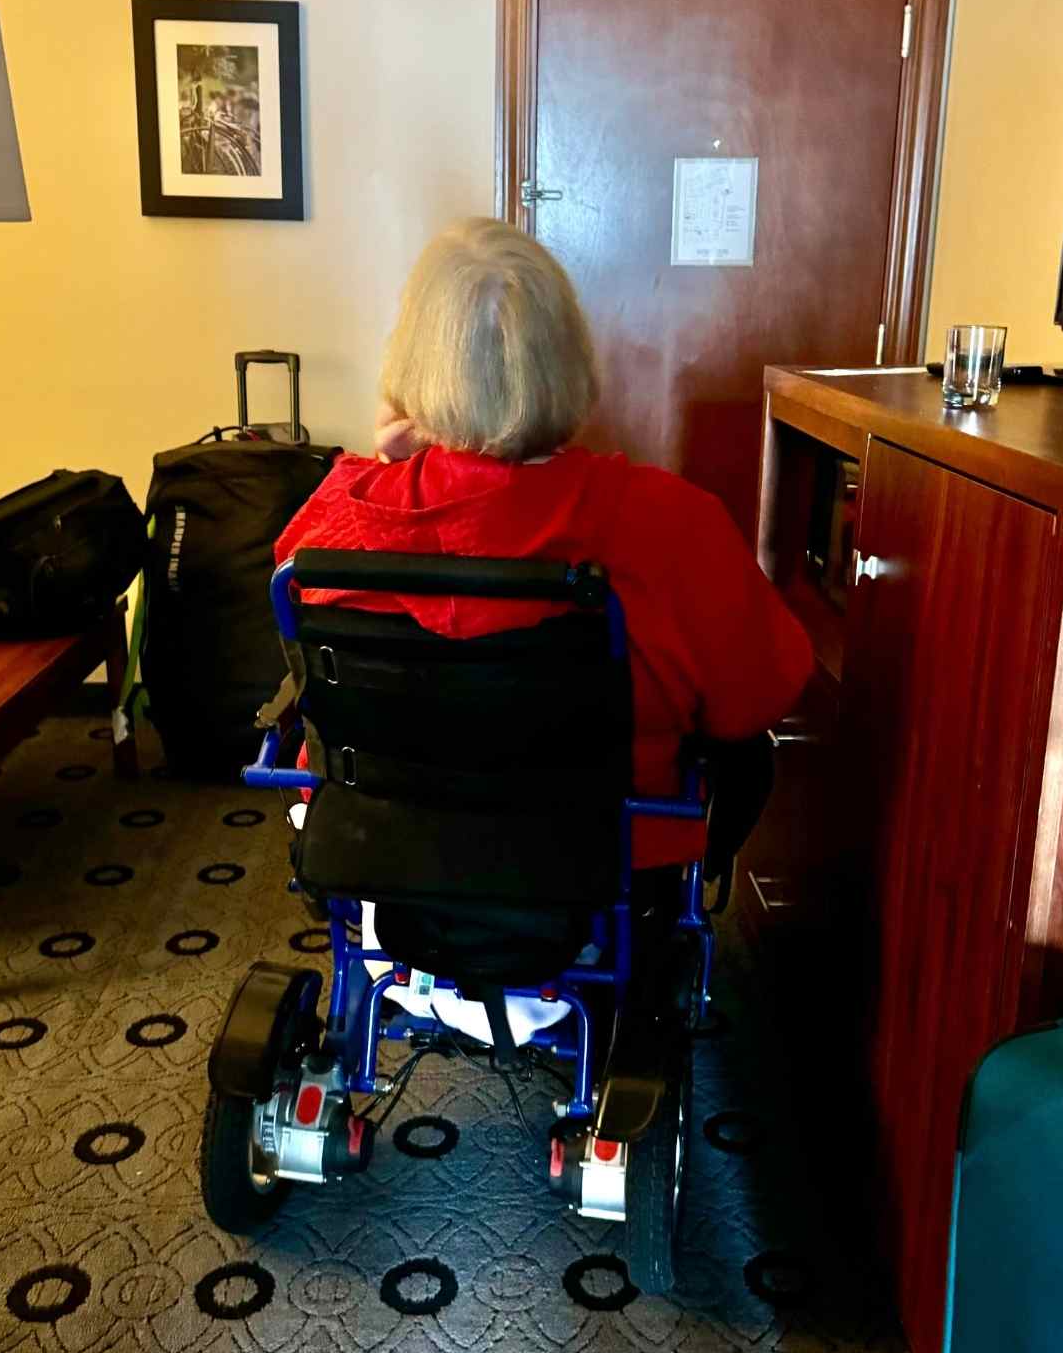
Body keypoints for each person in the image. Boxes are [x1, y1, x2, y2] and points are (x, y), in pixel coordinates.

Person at [274, 216, 813, 877]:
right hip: (606, 869)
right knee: (749, 752)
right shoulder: (675, 523)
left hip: (384, 852)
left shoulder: (338, 525)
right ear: (566, 356)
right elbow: (757, 698)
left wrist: (389, 470)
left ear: (416, 364)